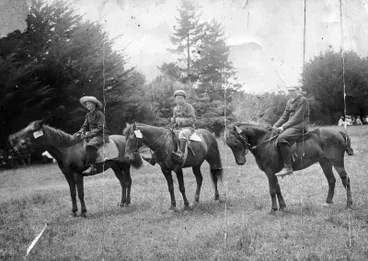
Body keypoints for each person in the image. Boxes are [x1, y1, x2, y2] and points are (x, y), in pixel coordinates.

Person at [273, 86, 310, 177]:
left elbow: (297, 117)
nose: (291, 92)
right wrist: (275, 126)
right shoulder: (289, 101)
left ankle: (288, 167)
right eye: (289, 91)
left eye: (293, 90)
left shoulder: (303, 100)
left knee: (281, 138)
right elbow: (284, 117)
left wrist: (283, 127)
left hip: (300, 125)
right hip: (291, 126)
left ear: (298, 90)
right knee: (273, 134)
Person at [73, 96, 109, 175]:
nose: (87, 105)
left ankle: (92, 167)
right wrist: (79, 132)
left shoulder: (99, 114)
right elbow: (84, 126)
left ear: (94, 104)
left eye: (89, 104)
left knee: (90, 145)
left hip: (101, 135)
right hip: (91, 135)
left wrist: (89, 134)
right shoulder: (88, 115)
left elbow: (100, 128)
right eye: (86, 104)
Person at [171, 90, 196, 164]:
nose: (179, 100)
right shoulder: (175, 109)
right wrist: (174, 121)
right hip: (178, 128)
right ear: (175, 99)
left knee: (183, 133)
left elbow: (193, 120)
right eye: (177, 98)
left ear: (184, 99)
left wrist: (181, 121)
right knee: (168, 134)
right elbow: (175, 120)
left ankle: (181, 154)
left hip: (189, 128)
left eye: (181, 98)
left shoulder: (189, 107)